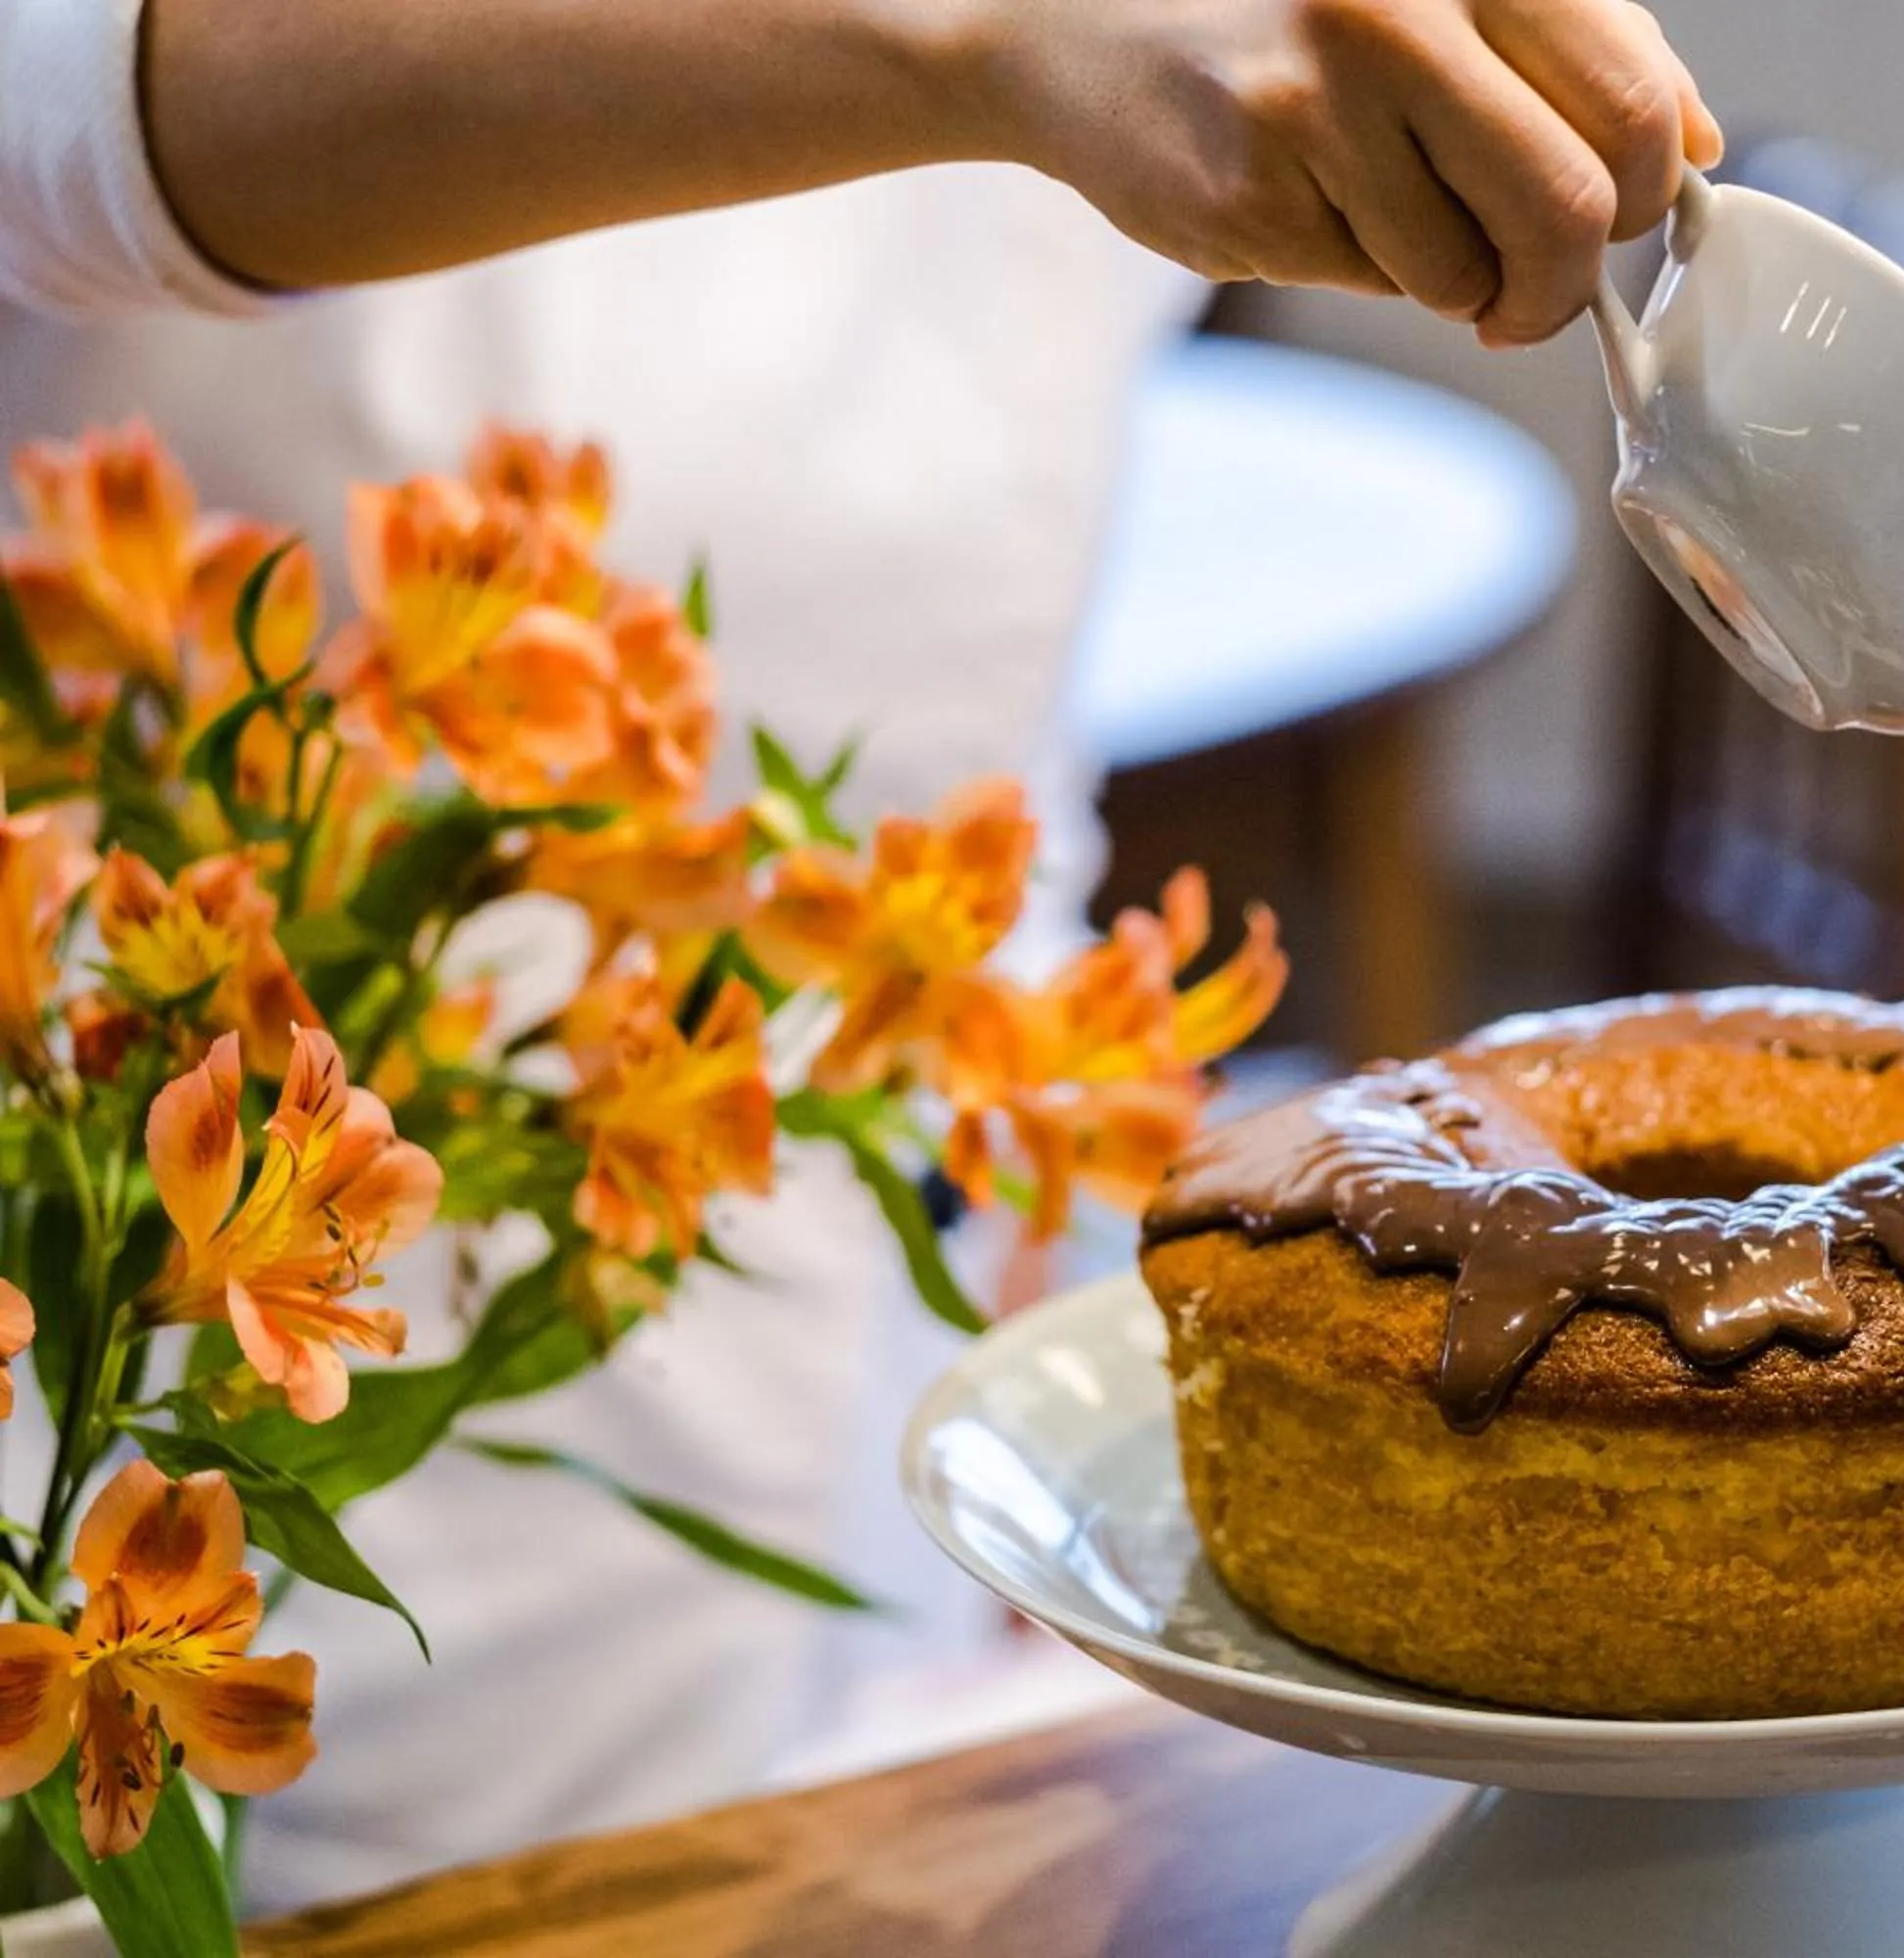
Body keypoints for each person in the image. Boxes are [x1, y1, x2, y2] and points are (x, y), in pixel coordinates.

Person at [0, 0, 1721, 1909]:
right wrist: (980, 42)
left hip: (870, 1368)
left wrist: (1036, 1321)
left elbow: (960, 597)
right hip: (167, 1384)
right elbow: (62, 113)